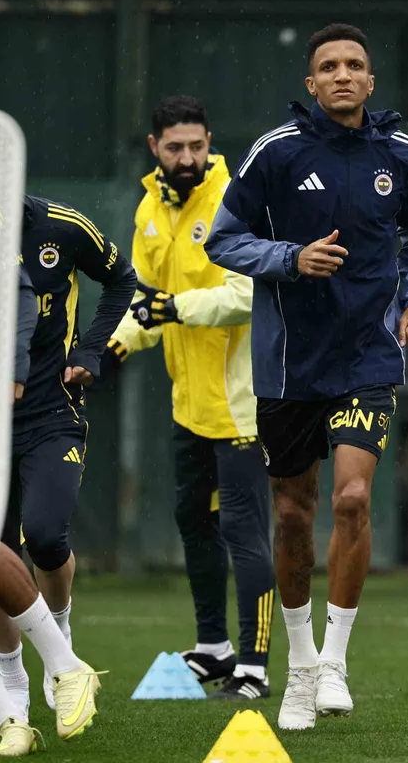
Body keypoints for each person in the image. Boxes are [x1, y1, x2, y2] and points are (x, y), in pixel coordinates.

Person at [205, 23, 408, 730]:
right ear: (311, 83)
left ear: (370, 80)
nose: (343, 75)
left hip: (368, 356)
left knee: (351, 499)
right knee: (292, 513)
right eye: (329, 67)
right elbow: (224, 239)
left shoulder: (401, 154)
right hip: (288, 364)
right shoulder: (276, 152)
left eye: (355, 65)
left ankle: (335, 662)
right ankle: (301, 667)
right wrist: (290, 258)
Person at [101, 95, 275, 699]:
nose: (187, 157)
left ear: (209, 142)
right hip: (189, 405)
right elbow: (144, 297)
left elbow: (248, 294)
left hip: (241, 405)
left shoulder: (235, 197)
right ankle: (214, 648)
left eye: (196, 146)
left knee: (244, 531)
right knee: (193, 522)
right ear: (155, 147)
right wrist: (113, 348)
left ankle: (254, 665)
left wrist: (175, 307)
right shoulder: (150, 208)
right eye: (174, 147)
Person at [0, 170, 102, 756]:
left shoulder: (17, 230)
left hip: (10, 412)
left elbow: (15, 288)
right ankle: (9, 713)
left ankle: (63, 663)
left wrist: (17, 366)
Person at [0, 195, 136, 717]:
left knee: (46, 537)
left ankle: (60, 643)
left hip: (52, 410)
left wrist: (90, 348)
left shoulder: (63, 227)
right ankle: (12, 677)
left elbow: (122, 278)